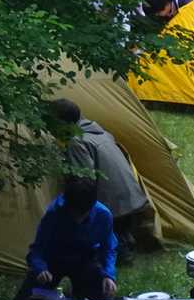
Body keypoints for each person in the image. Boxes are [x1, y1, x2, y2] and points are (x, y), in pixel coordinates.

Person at [49, 99, 155, 262]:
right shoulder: (103, 133)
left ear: (63, 124)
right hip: (132, 198)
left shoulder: (77, 143)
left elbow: (83, 181)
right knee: (119, 229)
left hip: (113, 207)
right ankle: (125, 241)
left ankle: (118, 248)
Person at [11, 178, 118, 300]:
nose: (77, 219)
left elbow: (108, 248)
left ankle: (78, 292)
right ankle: (52, 297)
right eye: (73, 213)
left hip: (85, 259)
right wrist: (40, 268)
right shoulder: (54, 213)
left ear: (92, 207)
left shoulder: (103, 215)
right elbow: (38, 249)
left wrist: (108, 275)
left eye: (83, 214)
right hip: (55, 259)